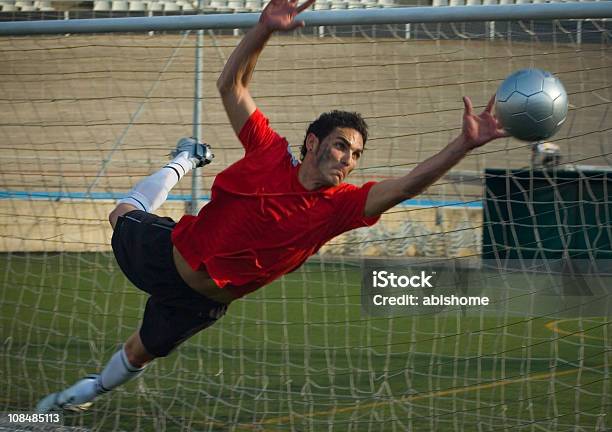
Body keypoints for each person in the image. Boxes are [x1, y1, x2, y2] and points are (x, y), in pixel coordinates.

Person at [36, 0, 508, 413]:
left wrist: (462, 146)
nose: (348, 160)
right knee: (119, 215)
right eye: (342, 146)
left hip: (201, 303)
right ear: (313, 142)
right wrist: (262, 29)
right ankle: (183, 161)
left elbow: (407, 186)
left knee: (141, 352)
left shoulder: (342, 206)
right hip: (168, 252)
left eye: (356, 154)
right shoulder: (269, 150)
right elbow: (230, 85)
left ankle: (82, 395)